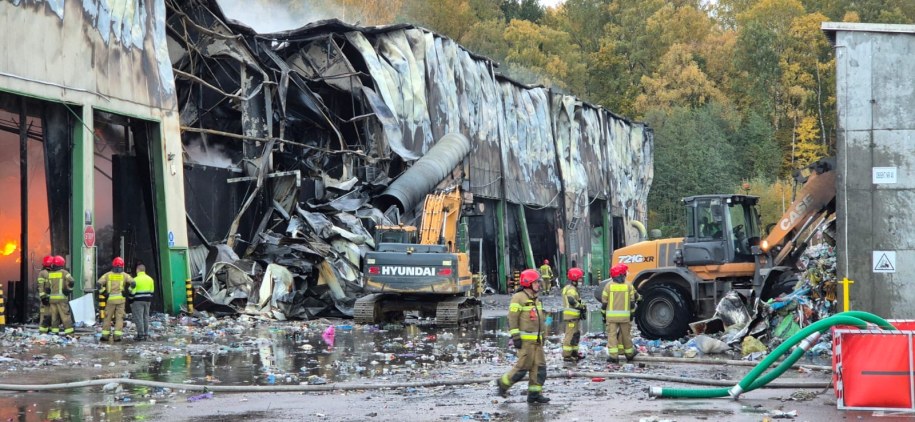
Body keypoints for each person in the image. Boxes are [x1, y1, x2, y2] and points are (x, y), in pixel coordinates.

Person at [496, 269, 550, 404]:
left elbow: (540, 319)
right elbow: (512, 318)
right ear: (528, 283)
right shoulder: (518, 297)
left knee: (540, 369)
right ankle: (503, 383)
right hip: (525, 342)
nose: (539, 285)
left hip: (537, 342)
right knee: (522, 369)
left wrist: (544, 335)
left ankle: (534, 395)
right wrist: (515, 337)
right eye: (536, 282)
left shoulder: (536, 298)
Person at [601, 263, 638, 363]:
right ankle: (629, 354)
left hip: (611, 318)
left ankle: (613, 356)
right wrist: (632, 314)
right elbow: (632, 303)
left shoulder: (608, 286)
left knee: (612, 335)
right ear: (622, 274)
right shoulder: (628, 285)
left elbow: (604, 303)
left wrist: (603, 314)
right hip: (625, 317)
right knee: (626, 335)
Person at [97, 257, 135, 342]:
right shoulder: (125, 275)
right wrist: (128, 291)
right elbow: (133, 283)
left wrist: (103, 293)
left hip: (110, 299)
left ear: (113, 265)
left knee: (107, 318)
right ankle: (117, 337)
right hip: (121, 300)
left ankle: (105, 336)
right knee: (119, 318)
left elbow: (98, 284)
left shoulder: (107, 275)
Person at [561, 267, 587, 362]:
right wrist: (580, 306)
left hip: (574, 317)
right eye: (580, 278)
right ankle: (567, 355)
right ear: (575, 278)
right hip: (571, 317)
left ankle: (574, 353)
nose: (581, 280)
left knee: (575, 334)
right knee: (570, 335)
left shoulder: (570, 288)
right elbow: (571, 299)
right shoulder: (571, 289)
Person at [45, 255, 75, 336]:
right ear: (62, 264)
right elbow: (72, 281)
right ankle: (69, 333)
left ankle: (55, 332)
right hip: (61, 299)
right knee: (65, 316)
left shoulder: (49, 274)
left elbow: (47, 288)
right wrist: (68, 290)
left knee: (54, 317)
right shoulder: (64, 272)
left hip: (52, 299)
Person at [130, 264, 155, 341]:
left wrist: (130, 299)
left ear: (138, 270)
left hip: (138, 301)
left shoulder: (135, 280)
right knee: (146, 317)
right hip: (147, 301)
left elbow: (132, 292)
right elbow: (152, 291)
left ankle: (140, 334)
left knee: (139, 317)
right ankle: (146, 334)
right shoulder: (150, 279)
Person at [36, 255, 54, 334]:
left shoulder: (52, 272)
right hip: (46, 297)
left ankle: (49, 329)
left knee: (51, 313)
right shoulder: (42, 273)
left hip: (52, 297)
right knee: (44, 314)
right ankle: (43, 331)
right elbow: (40, 286)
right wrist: (43, 297)